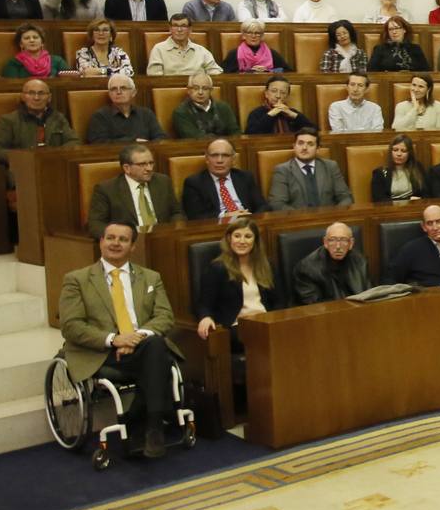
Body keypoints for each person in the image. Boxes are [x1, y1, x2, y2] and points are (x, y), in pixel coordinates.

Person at [58, 223, 185, 458]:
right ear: (101, 242)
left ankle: (151, 426)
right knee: (159, 355)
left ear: (133, 246)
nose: (115, 243)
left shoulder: (150, 277)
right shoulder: (77, 280)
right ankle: (150, 423)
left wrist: (135, 339)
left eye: (123, 239)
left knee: (155, 345)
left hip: (143, 346)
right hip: (101, 351)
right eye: (110, 238)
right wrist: (114, 339)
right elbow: (71, 326)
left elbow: (165, 316)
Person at [192, 215, 283, 352]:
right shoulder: (217, 268)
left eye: (248, 236)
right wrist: (205, 317)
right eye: (237, 236)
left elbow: (279, 301)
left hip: (266, 322)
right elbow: (204, 304)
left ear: (255, 240)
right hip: (237, 326)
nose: (242, 241)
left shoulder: (267, 265)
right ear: (229, 239)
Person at [87, 144, 182, 236]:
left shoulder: (163, 182)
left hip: (162, 237)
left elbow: (176, 213)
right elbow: (95, 224)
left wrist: (174, 230)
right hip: (128, 243)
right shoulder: (107, 189)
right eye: (142, 164)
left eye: (151, 163)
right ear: (127, 168)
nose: (149, 168)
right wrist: (120, 237)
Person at [0, 79, 78, 171]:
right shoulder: (9, 120)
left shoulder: (58, 118)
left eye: (41, 93)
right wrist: (24, 157)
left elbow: (74, 142)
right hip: (22, 171)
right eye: (31, 93)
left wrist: (54, 155)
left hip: (54, 168)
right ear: (23, 97)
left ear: (49, 98)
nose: (36, 98)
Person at [267, 131, 353, 210]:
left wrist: (334, 216)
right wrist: (301, 219)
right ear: (294, 146)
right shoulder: (283, 170)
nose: (304, 148)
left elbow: (345, 197)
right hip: (297, 222)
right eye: (300, 143)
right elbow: (277, 203)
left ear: (318, 148)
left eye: (310, 144)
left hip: (330, 220)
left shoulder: (331, 167)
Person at [181, 139, 262, 220]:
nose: (219, 160)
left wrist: (251, 219)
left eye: (225, 155)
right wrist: (225, 216)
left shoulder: (245, 177)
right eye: (214, 155)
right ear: (206, 159)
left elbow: (263, 206)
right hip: (215, 227)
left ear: (233, 159)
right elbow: (195, 216)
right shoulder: (194, 183)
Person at [294, 222, 371, 304]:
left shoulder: (360, 261)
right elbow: (313, 306)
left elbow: (370, 294)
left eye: (343, 240)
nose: (338, 246)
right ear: (325, 242)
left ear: (351, 243)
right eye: (332, 240)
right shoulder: (307, 269)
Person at [86, 75, 166, 143]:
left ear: (133, 92)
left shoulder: (146, 114)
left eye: (123, 88)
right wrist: (134, 141)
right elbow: (99, 144)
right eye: (113, 89)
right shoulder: (100, 117)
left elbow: (161, 138)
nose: (118, 92)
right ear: (109, 94)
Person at [146, 14, 221, 77]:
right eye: (175, 26)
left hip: (197, 91)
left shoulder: (201, 50)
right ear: (170, 29)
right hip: (170, 91)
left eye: (183, 26)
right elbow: (154, 77)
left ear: (190, 29)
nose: (179, 30)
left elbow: (215, 72)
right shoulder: (159, 49)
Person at [171, 72, 238, 139]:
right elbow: (194, 137)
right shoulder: (181, 112)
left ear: (211, 90)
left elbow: (235, 133)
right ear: (188, 90)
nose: (200, 92)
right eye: (196, 88)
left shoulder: (223, 107)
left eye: (205, 88)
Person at [243, 75, 315, 136]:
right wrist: (271, 114)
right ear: (266, 94)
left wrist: (293, 114)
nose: (278, 96)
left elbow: (314, 131)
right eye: (274, 91)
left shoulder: (292, 113)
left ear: (287, 96)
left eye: (283, 92)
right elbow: (250, 135)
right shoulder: (256, 113)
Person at [370, 134, 429, 202]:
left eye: (403, 151)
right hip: (390, 209)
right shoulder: (380, 173)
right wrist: (407, 200)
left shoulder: (417, 168)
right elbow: (379, 200)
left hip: (415, 208)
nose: (399, 154)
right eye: (395, 150)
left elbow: (426, 193)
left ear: (410, 153)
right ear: (390, 152)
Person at [1, 23, 69, 78]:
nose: (32, 40)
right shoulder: (13, 64)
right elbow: (12, 87)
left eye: (35, 37)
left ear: (42, 43)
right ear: (21, 44)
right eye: (27, 38)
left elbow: (68, 81)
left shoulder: (57, 61)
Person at [221, 21, 290, 74]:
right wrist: (249, 72)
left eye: (257, 33)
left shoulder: (272, 53)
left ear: (262, 36)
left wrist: (268, 71)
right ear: (244, 35)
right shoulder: (234, 53)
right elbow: (225, 74)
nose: (253, 36)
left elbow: (287, 71)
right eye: (249, 33)